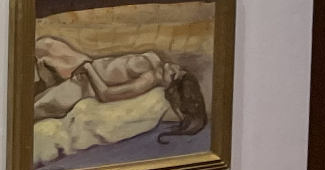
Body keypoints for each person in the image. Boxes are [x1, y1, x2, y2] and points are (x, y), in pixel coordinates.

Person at [32, 35, 209, 141]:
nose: (172, 67)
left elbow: (107, 94)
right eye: (179, 69)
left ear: (169, 86)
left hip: (78, 88)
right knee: (43, 46)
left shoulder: (148, 80)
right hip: (80, 70)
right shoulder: (155, 63)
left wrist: (88, 68)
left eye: (173, 75)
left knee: (31, 110)